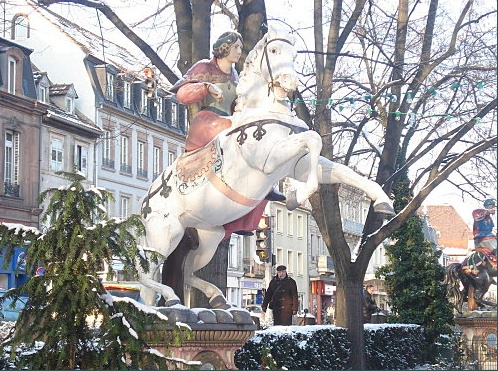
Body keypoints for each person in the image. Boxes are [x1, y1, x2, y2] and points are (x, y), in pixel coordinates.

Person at [171, 31, 284, 239]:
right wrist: (205, 87)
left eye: (241, 48)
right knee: (236, 133)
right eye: (236, 48)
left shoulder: (235, 75)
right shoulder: (205, 67)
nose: (239, 52)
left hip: (230, 121)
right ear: (224, 47)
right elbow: (182, 94)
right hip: (208, 121)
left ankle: (245, 214)